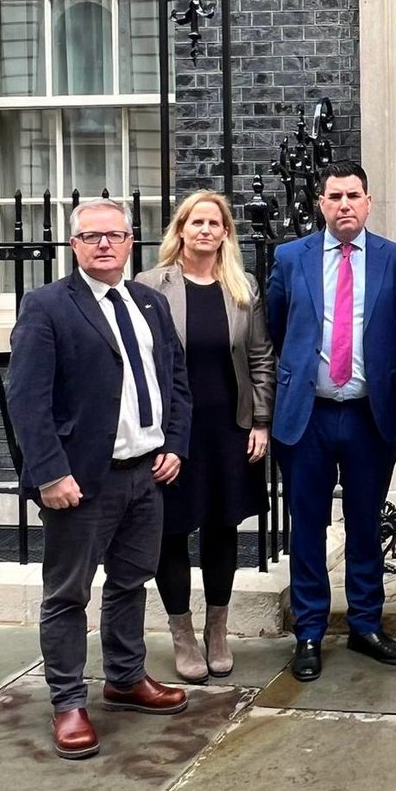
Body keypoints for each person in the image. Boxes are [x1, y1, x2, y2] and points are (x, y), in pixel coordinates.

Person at [8, 198, 192, 759]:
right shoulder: (46, 306)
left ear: (131, 241)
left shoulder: (150, 303)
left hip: (145, 475)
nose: (104, 244)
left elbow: (175, 381)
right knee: (67, 594)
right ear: (74, 245)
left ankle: (125, 677)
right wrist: (49, 473)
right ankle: (67, 702)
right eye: (91, 236)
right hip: (81, 481)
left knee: (131, 583)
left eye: (114, 235)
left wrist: (175, 445)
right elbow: (26, 399)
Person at [266, 160, 396, 681]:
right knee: (306, 526)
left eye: (353, 195)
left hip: (370, 416)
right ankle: (308, 631)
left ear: (368, 202)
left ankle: (366, 624)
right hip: (306, 417)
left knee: (365, 523)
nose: (344, 204)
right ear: (321, 204)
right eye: (334, 196)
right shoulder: (291, 257)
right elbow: (277, 328)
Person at [136, 190, 275, 682]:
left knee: (221, 528)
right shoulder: (149, 287)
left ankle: (218, 630)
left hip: (227, 428)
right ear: (180, 229)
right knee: (171, 532)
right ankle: (182, 633)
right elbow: (138, 367)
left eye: (214, 223)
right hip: (172, 431)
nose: (204, 230)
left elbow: (260, 358)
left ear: (225, 233)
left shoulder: (242, 288)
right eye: (196, 222)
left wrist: (260, 422)